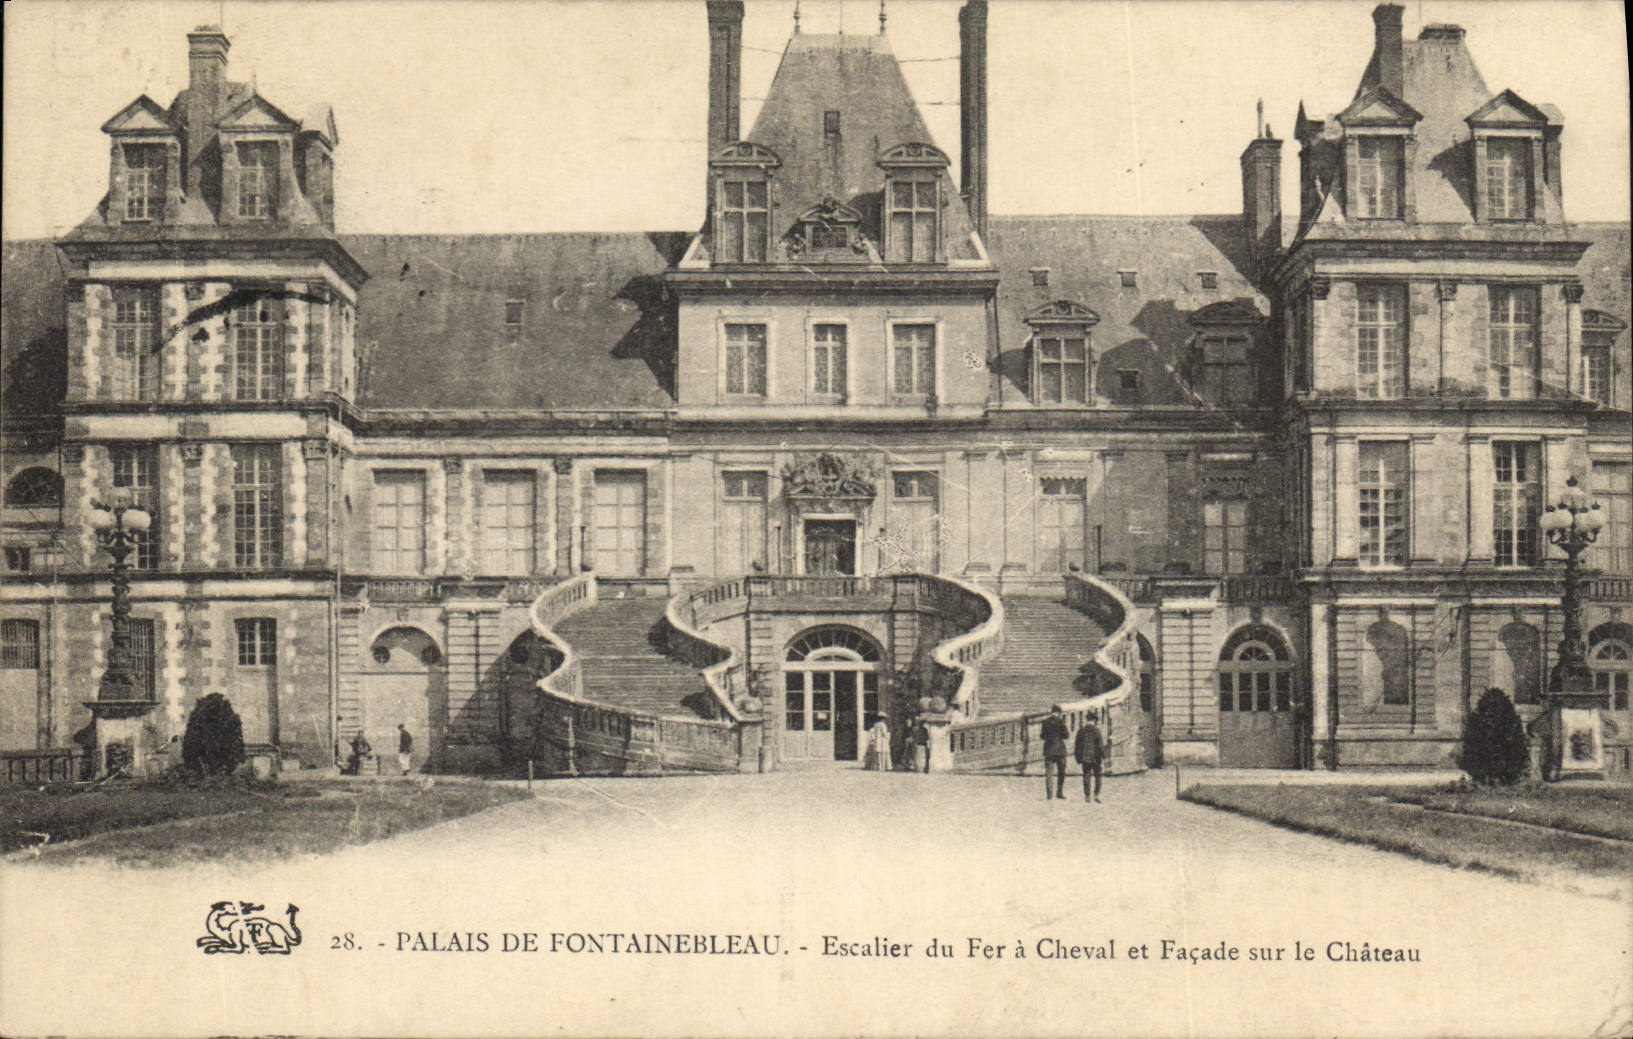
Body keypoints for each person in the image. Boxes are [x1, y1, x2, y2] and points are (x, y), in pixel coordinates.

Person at [1075, 714, 1106, 803]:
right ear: (1094, 721)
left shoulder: (1081, 731)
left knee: (1086, 776)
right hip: (1096, 757)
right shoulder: (1096, 731)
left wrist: (1078, 757)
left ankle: (1087, 796)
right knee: (1098, 776)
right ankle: (1096, 795)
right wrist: (1105, 756)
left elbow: (1077, 746)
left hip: (1085, 757)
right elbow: (1100, 745)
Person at [1040, 706, 1069, 800]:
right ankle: (1059, 793)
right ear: (1059, 713)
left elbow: (1042, 736)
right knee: (1061, 772)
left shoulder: (1045, 722)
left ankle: (1049, 795)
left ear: (1052, 712)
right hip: (1060, 751)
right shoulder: (1061, 721)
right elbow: (1066, 735)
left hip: (1048, 750)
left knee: (1049, 773)